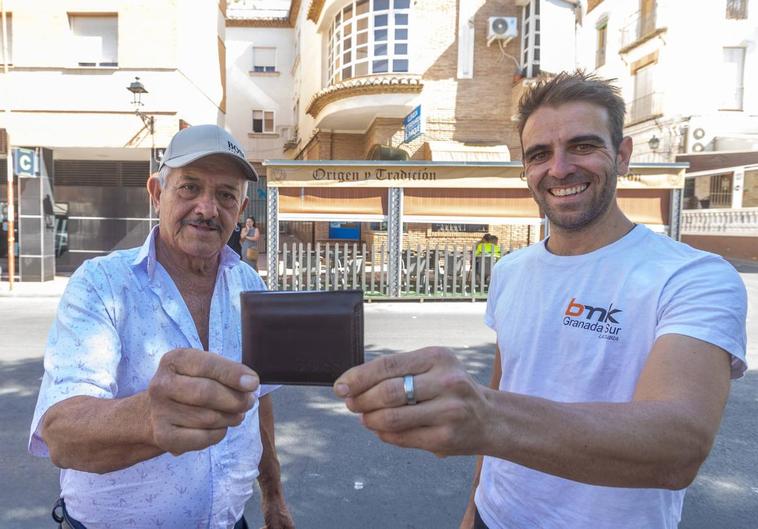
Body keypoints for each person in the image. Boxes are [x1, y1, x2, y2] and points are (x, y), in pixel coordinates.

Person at [333, 72, 748, 529]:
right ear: (525, 169)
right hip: (498, 516)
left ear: (623, 155)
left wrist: (486, 415)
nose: (560, 168)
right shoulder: (511, 271)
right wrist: (473, 510)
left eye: (583, 146)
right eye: (539, 154)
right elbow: (504, 390)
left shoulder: (693, 277)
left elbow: (677, 448)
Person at [29, 124, 295, 529]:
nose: (207, 209)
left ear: (240, 212)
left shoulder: (249, 284)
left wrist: (273, 496)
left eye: (225, 195)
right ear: (156, 193)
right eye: (189, 187)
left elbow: (260, 399)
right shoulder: (100, 283)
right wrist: (150, 418)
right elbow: (60, 433)